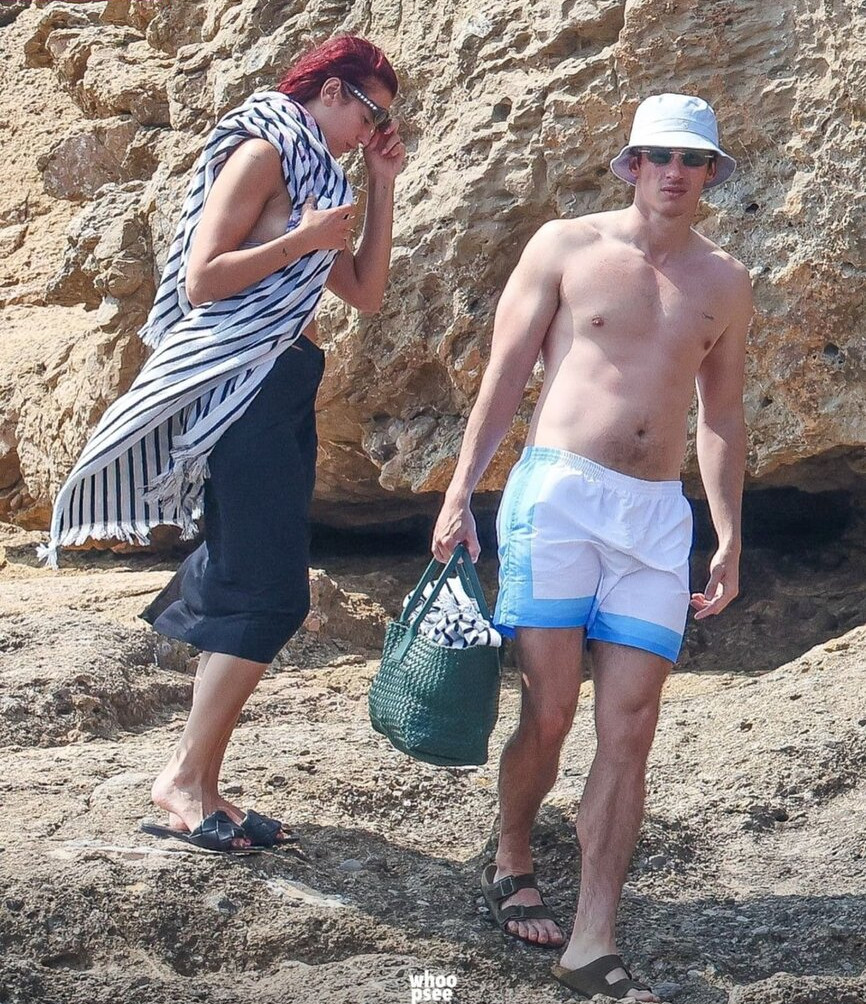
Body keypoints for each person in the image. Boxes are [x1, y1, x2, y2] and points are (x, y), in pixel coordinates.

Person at [40, 36, 406, 852]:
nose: (371, 132)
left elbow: (366, 292)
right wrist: (302, 241)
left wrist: (381, 186)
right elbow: (203, 279)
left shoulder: (321, 175)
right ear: (333, 91)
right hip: (244, 386)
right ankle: (182, 779)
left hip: (284, 384)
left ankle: (200, 786)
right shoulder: (265, 152)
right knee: (271, 594)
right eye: (370, 114)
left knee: (252, 579)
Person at [432, 94, 751, 1000]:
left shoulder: (726, 281)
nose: (676, 172)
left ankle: (591, 940)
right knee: (551, 710)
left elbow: (721, 415)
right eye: (660, 156)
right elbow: (504, 377)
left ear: (711, 173)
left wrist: (729, 533)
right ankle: (512, 852)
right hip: (559, 497)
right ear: (633, 163)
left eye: (693, 160)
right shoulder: (565, 246)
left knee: (632, 726)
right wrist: (461, 490)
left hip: (655, 517)